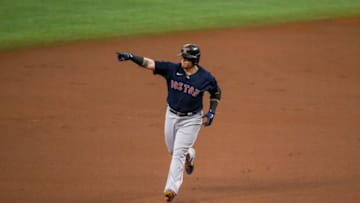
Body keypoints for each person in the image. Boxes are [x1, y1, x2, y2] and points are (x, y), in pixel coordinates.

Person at [116, 43, 221, 202]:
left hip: (191, 120)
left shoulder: (205, 78)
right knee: (172, 150)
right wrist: (132, 57)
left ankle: (171, 189)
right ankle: (190, 155)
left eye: (186, 59)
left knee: (177, 154)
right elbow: (150, 63)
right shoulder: (173, 69)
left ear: (194, 60)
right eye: (182, 58)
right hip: (171, 115)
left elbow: (216, 92)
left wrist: (212, 110)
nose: (182, 61)